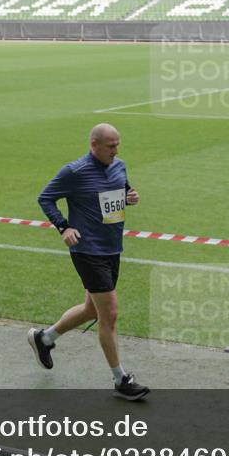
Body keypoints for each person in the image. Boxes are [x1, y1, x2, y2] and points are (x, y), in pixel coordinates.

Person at [29, 123, 149, 401]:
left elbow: (120, 193)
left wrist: (130, 198)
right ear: (94, 145)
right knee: (110, 315)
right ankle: (121, 380)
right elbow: (45, 198)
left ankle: (44, 339)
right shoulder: (74, 171)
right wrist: (64, 227)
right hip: (87, 250)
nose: (116, 150)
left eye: (118, 144)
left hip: (112, 248)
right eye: (111, 146)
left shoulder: (119, 166)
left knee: (91, 310)